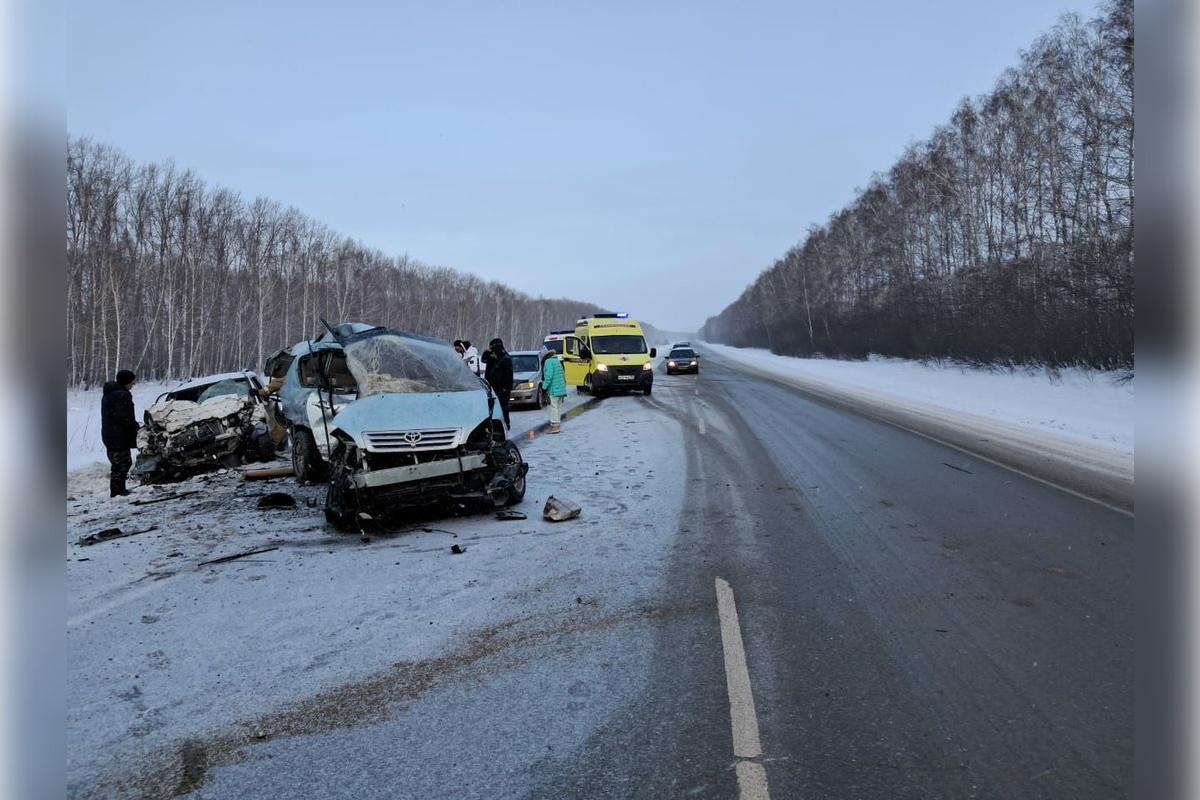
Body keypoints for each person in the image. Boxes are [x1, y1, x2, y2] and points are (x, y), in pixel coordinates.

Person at [101, 369, 140, 497]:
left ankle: (119, 490)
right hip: (118, 436)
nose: (133, 385)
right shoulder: (121, 395)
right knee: (121, 464)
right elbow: (124, 417)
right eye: (131, 382)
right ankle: (117, 492)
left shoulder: (111, 393)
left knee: (122, 463)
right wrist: (136, 427)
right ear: (126, 381)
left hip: (112, 435)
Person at [481, 337, 514, 428]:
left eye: (492, 347)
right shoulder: (492, 357)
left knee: (503, 406)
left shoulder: (505, 358)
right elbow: (483, 360)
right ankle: (496, 424)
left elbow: (508, 375)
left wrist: (506, 387)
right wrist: (487, 352)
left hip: (502, 387)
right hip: (492, 385)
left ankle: (506, 423)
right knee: (494, 407)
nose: (491, 349)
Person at [540, 346, 568, 433]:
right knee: (557, 407)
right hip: (560, 388)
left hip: (553, 389)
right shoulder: (556, 360)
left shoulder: (548, 362)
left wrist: (544, 388)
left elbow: (548, 377)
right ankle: (556, 425)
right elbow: (563, 375)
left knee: (552, 407)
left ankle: (555, 426)